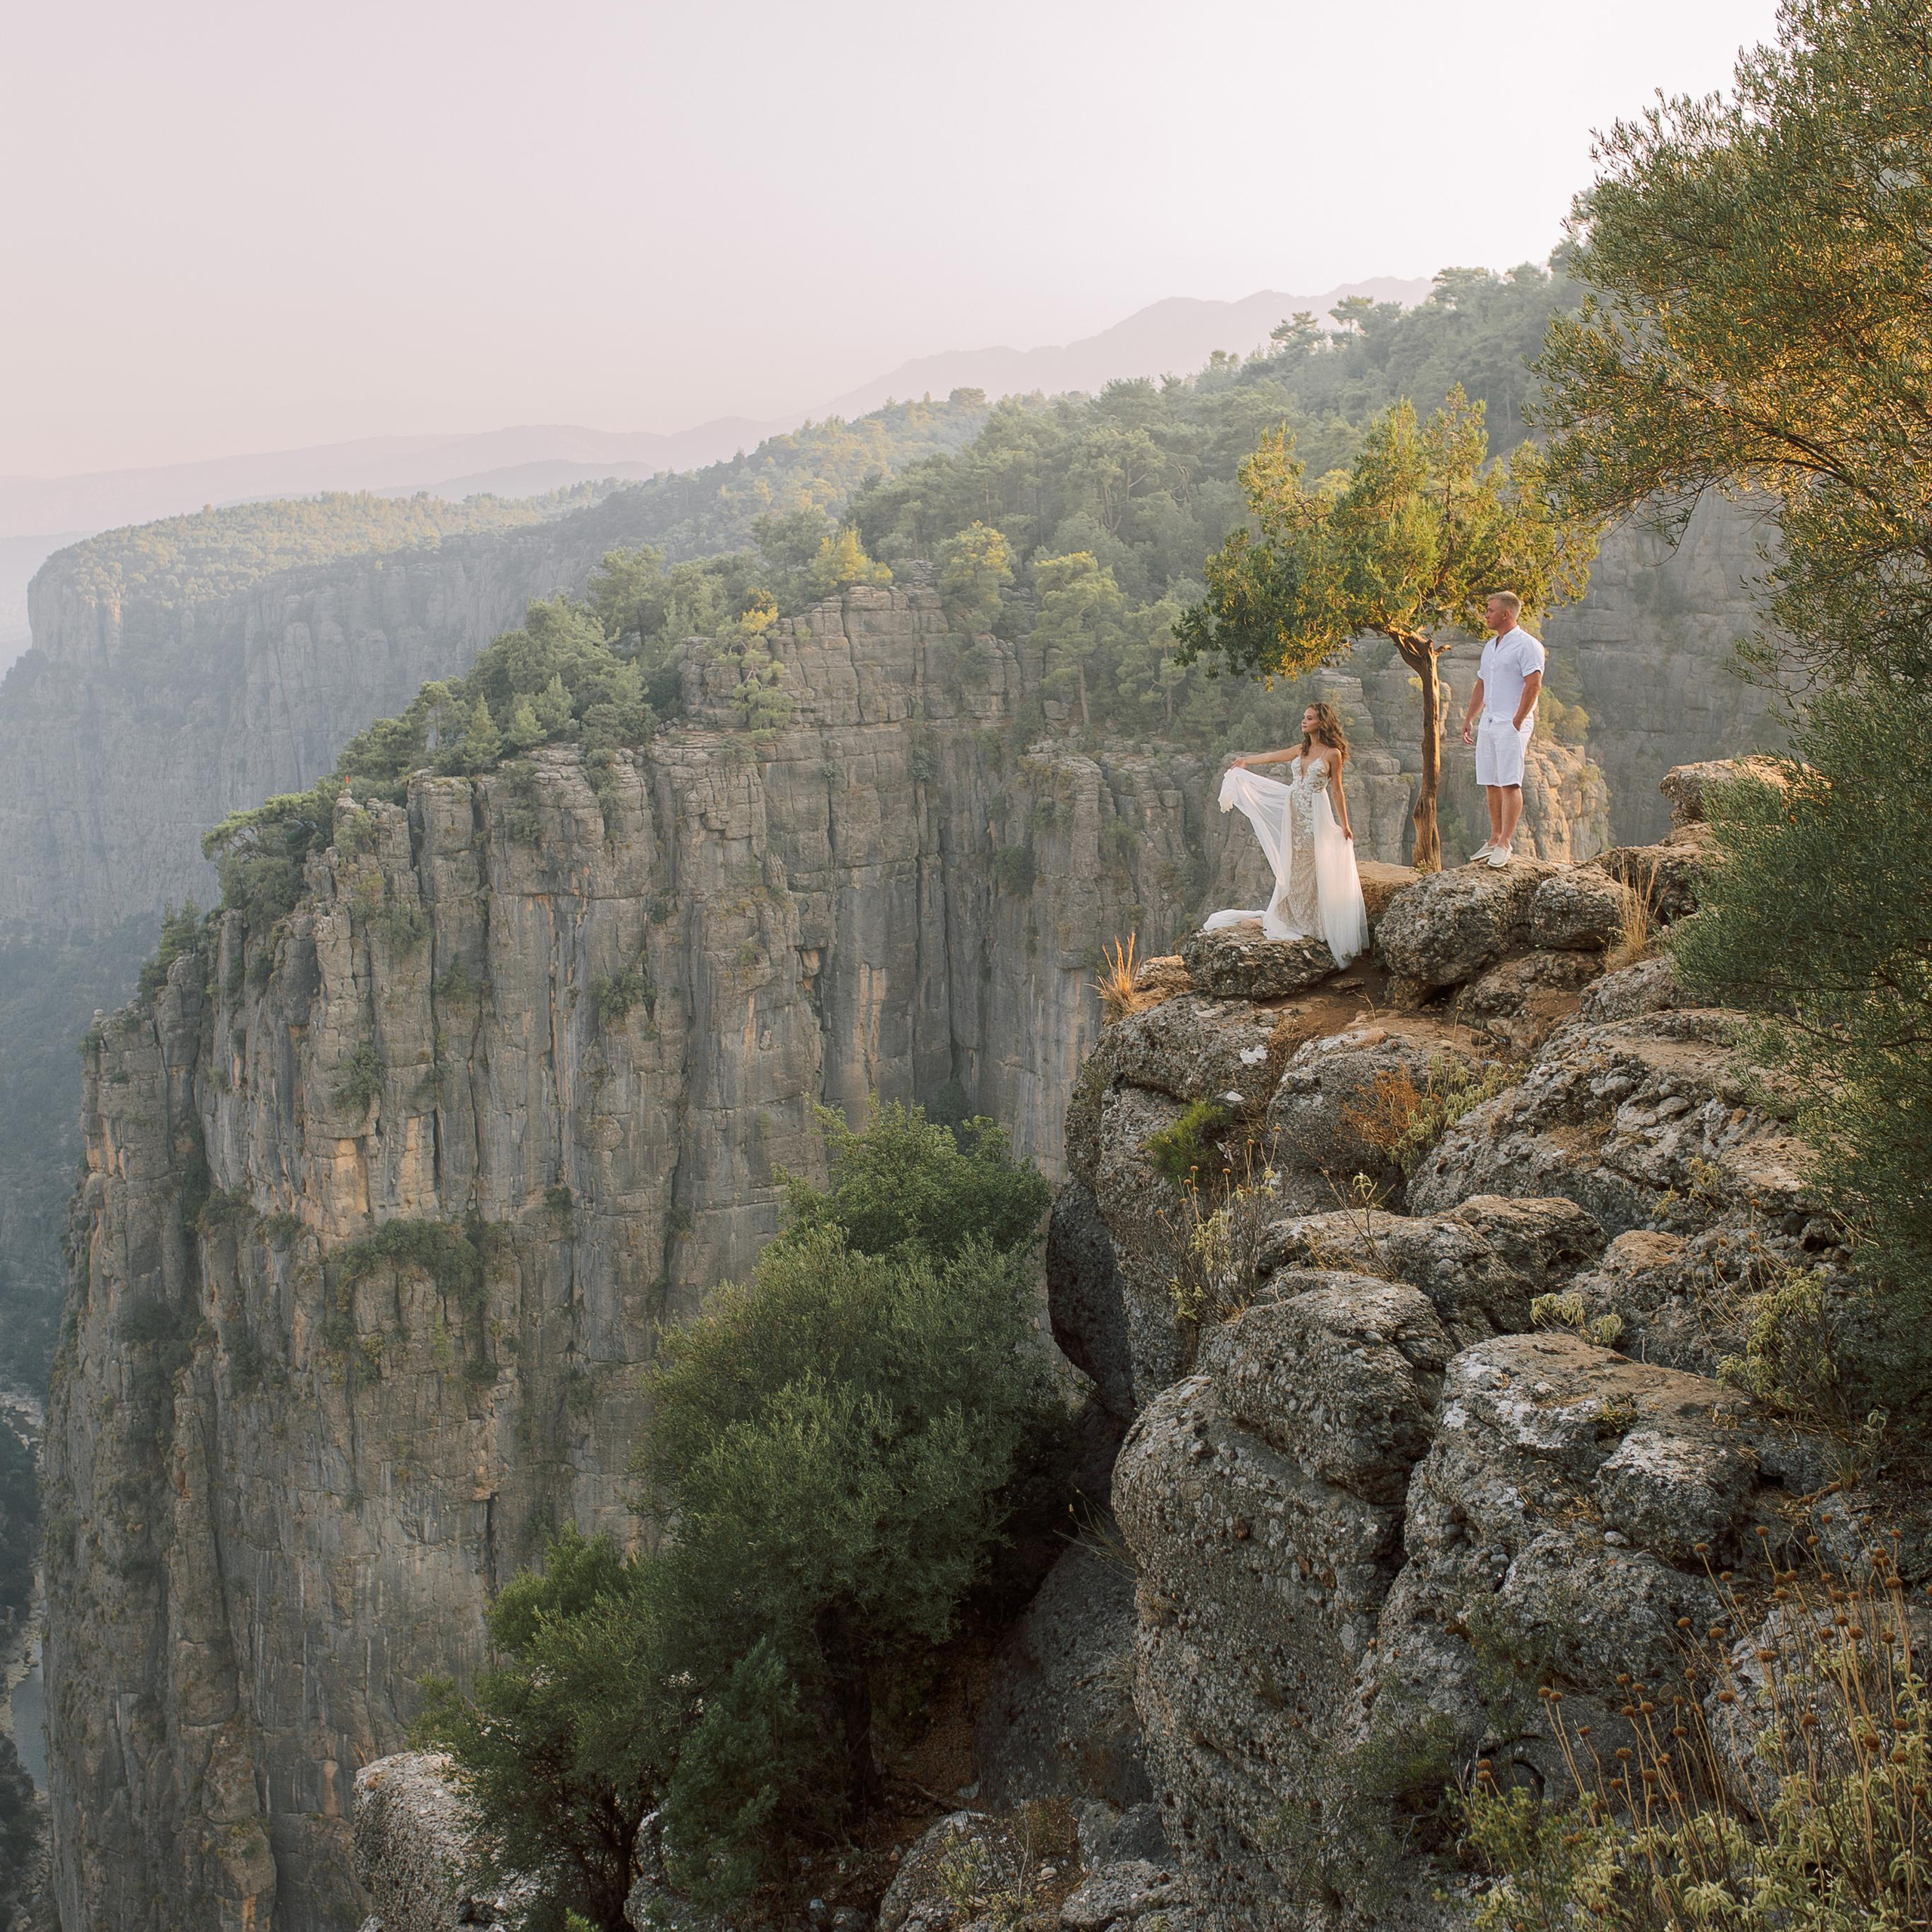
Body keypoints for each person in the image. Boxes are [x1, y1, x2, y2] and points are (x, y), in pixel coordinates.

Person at [1204, 700, 1369, 965]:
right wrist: (1246, 761)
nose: (1304, 721)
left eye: (1310, 718)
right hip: (1293, 812)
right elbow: (1273, 756)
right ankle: (1293, 915)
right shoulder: (1301, 749)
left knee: (1314, 865)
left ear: (1321, 722)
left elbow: (1337, 790)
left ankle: (1316, 921)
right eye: (1304, 717)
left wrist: (1345, 824)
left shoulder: (1332, 754)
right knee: (1294, 863)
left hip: (1316, 812)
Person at [1460, 589, 1546, 867]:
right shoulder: (1490, 646)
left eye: (1490, 610)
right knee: (1491, 781)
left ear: (1506, 614)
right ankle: (1494, 838)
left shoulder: (1528, 645)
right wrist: (1470, 717)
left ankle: (1506, 843)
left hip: (1511, 723)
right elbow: (1482, 684)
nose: (1486, 614)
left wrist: (1518, 720)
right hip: (1489, 722)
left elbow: (1534, 684)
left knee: (1510, 782)